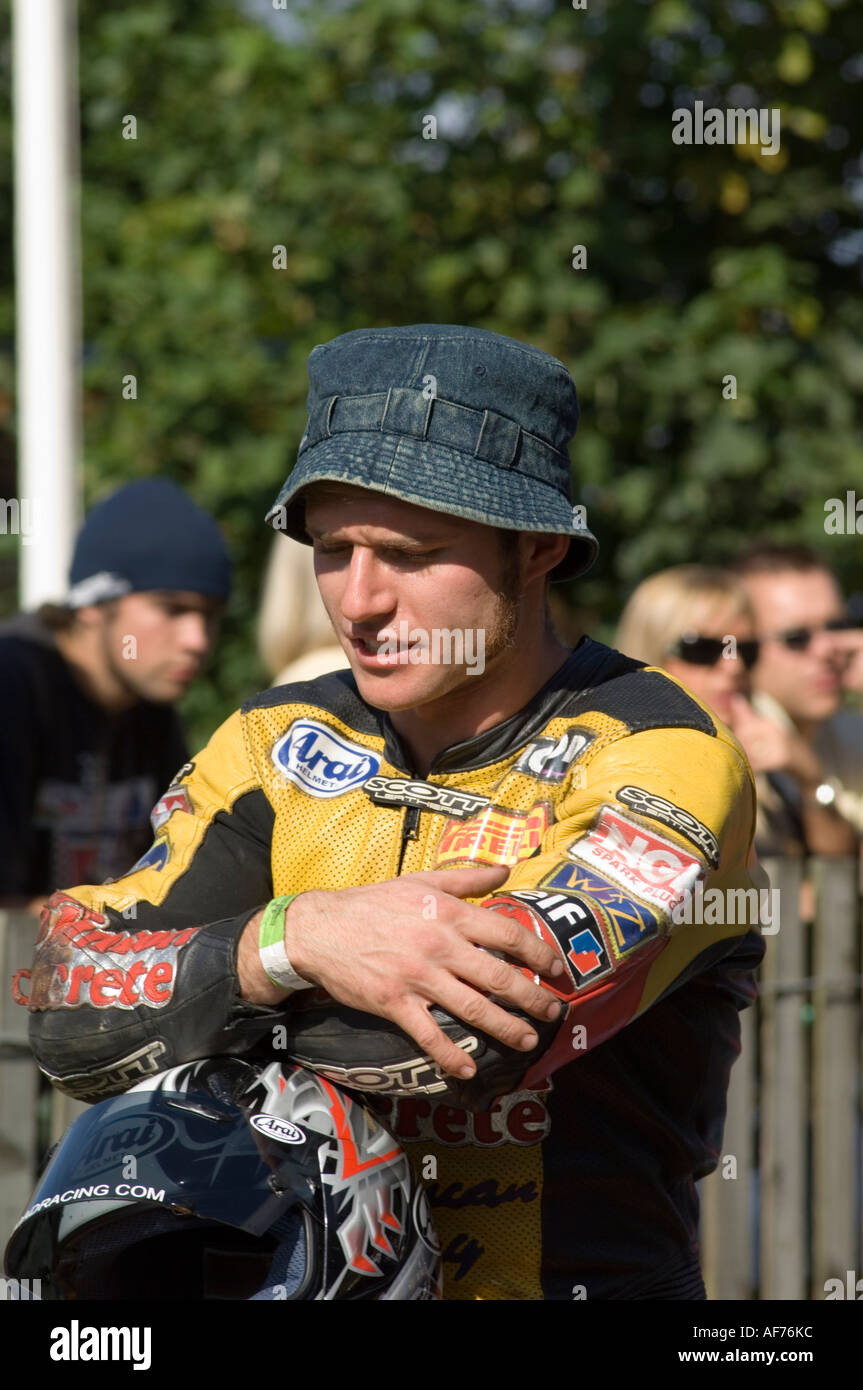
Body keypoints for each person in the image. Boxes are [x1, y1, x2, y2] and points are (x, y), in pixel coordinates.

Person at [22, 324, 766, 1301]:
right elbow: (66, 997)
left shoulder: (665, 751)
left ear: (538, 546)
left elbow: (454, 1042)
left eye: (410, 553)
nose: (360, 599)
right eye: (332, 548)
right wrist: (294, 939)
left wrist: (208, 984)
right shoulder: (270, 740)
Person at [0, 478, 231, 915]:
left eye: (210, 616)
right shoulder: (14, 684)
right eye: (173, 609)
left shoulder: (150, 710)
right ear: (92, 604)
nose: (197, 640)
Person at [615, 563, 858, 857]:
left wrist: (808, 778)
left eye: (745, 649)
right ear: (650, 653)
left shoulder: (761, 735)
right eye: (703, 649)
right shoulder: (620, 758)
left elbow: (836, 865)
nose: (733, 665)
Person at [728, 543, 862, 851]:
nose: (827, 648)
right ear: (743, 647)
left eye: (836, 626)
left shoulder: (849, 732)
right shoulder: (726, 747)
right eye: (796, 638)